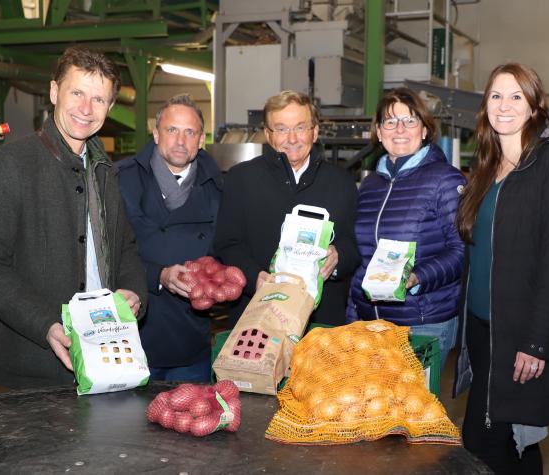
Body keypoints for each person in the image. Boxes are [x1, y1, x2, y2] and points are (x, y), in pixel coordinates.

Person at [0, 46, 147, 389]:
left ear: (109, 107)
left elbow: (126, 247)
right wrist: (46, 323)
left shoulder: (105, 171)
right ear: (53, 92)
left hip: (101, 358)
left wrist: (136, 292)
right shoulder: (9, 164)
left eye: (99, 99)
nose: (86, 109)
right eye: (77, 92)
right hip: (27, 369)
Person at [451, 63, 549, 474]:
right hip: (482, 330)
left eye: (517, 96)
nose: (505, 105)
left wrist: (537, 341)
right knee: (513, 441)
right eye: (496, 96)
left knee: (486, 442)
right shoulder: (487, 169)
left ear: (536, 106)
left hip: (520, 333)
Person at [214, 90, 359, 327]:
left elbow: (354, 245)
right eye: (281, 129)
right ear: (268, 135)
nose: (292, 138)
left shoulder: (341, 182)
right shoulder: (241, 179)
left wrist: (338, 256)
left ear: (315, 131)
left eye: (300, 127)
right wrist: (254, 278)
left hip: (321, 322)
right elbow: (227, 244)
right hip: (258, 316)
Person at [346, 87, 466, 363]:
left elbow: (461, 251)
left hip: (421, 322)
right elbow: (364, 257)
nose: (400, 129)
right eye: (390, 121)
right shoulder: (370, 184)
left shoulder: (445, 180)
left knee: (413, 405)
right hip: (370, 322)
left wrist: (416, 278)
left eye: (410, 120)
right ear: (378, 131)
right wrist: (353, 315)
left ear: (424, 130)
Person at [115, 94, 223, 382]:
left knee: (190, 418)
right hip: (129, 333)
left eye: (190, 132)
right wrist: (158, 275)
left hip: (187, 338)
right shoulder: (121, 179)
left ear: (201, 140)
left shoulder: (219, 189)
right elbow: (107, 252)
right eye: (171, 130)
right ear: (155, 133)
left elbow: (224, 253)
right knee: (121, 425)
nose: (180, 140)